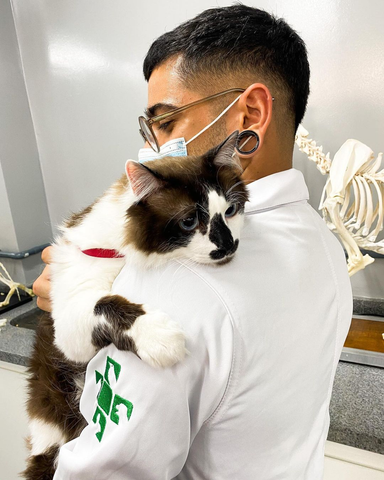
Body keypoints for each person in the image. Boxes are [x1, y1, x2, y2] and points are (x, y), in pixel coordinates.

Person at [33, 5, 353, 479]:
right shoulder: (323, 243)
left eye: (166, 122)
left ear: (249, 114)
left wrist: (84, 307)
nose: (155, 148)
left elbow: (100, 472)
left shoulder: (173, 281)